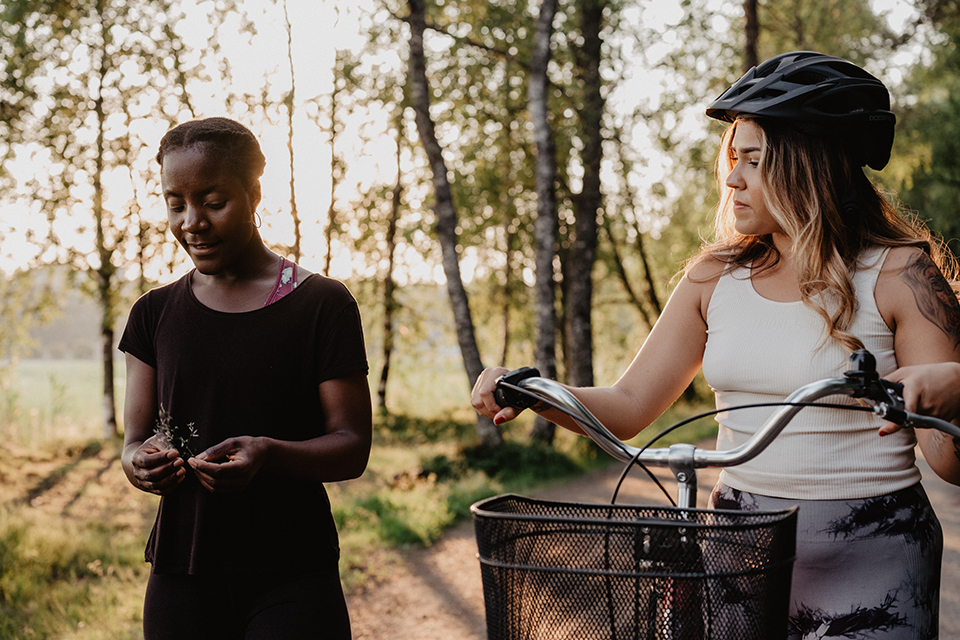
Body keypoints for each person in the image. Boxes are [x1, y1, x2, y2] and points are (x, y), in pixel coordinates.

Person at [472, 51, 960, 639]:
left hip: (873, 552)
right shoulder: (713, 278)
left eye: (753, 161)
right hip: (740, 551)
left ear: (811, 165)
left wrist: (953, 393)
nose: (732, 179)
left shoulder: (901, 272)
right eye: (734, 158)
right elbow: (629, 405)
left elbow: (948, 462)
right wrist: (536, 391)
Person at [119, 116, 372, 640]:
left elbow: (352, 447)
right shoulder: (153, 313)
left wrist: (269, 452)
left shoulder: (321, 304)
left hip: (293, 573)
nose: (193, 221)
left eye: (213, 202)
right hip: (180, 572)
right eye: (175, 204)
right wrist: (139, 464)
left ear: (254, 194)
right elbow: (134, 442)